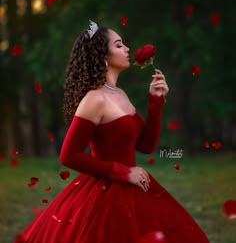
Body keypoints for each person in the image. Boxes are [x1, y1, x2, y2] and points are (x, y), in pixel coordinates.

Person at [14, 20, 210, 243]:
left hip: (135, 188)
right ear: (102, 56)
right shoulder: (94, 99)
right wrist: (124, 173)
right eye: (119, 45)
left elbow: (145, 146)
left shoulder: (120, 94)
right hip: (107, 192)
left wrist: (155, 102)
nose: (127, 49)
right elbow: (68, 155)